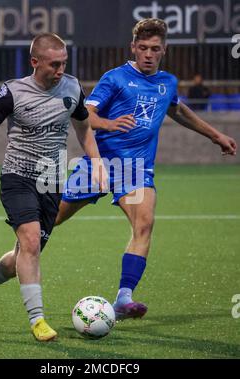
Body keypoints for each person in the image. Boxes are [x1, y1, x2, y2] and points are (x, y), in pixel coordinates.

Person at [54, 18, 237, 321]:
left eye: (154, 49)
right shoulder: (116, 78)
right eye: (143, 48)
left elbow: (176, 109)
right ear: (133, 48)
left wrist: (215, 135)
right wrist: (110, 124)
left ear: (164, 50)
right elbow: (85, 115)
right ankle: (2, 266)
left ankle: (124, 298)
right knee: (51, 222)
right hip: (101, 163)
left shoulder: (167, 82)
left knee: (145, 223)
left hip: (137, 169)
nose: (148, 54)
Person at [0, 33, 107, 342]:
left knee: (22, 258)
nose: (60, 70)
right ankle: (38, 320)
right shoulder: (13, 91)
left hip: (52, 181)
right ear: (34, 62)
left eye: (64, 63)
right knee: (29, 242)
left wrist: (96, 163)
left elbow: (84, 130)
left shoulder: (73, 87)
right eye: (54, 64)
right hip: (17, 178)